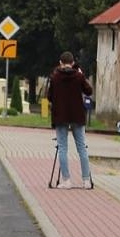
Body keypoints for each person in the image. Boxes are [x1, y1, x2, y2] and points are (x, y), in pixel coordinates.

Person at [46, 52, 93, 190]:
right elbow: (89, 91)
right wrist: (81, 74)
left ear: (60, 62)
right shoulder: (78, 76)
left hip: (61, 116)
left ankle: (66, 180)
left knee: (62, 148)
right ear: (72, 63)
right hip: (77, 116)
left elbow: (49, 97)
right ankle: (86, 180)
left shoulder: (55, 77)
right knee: (81, 148)